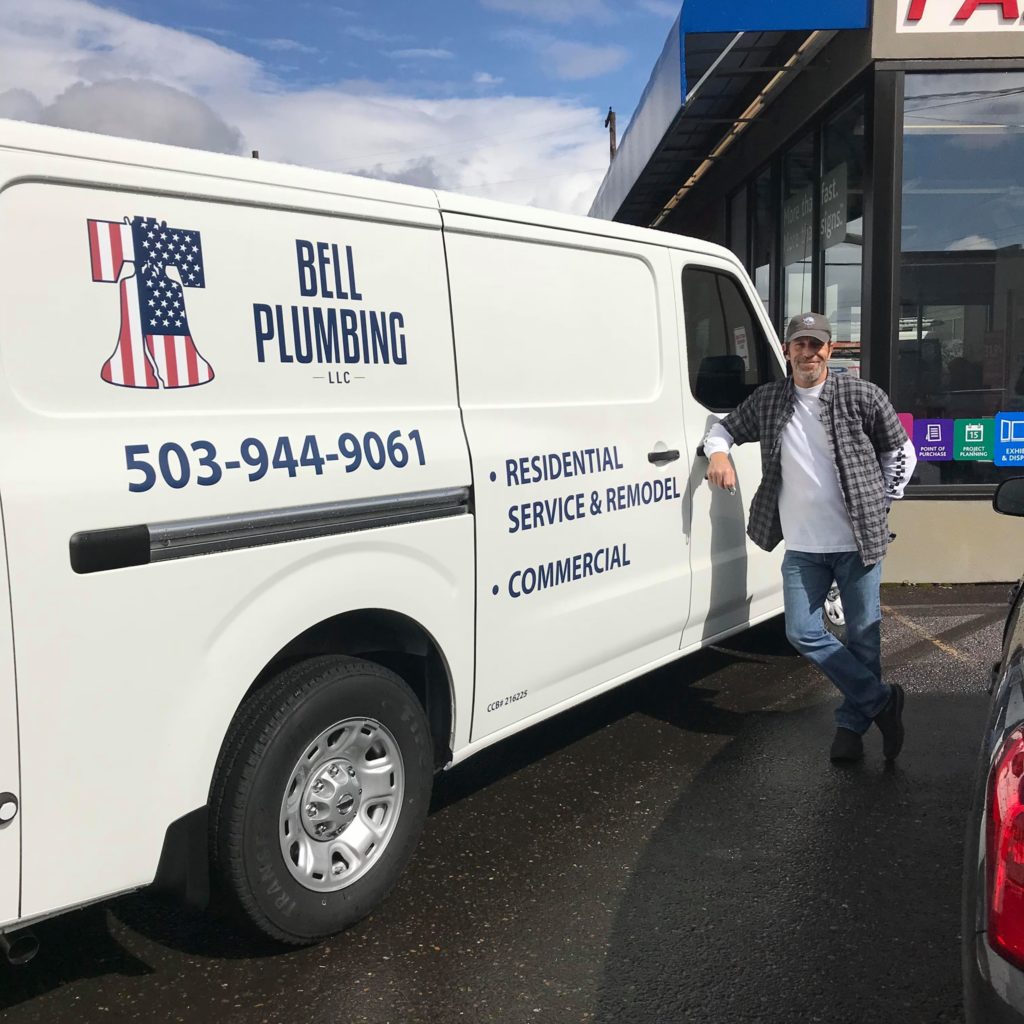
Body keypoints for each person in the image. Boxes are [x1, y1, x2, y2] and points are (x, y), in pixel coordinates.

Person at [704, 312, 917, 764]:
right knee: (802, 631)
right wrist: (719, 454)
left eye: (817, 344)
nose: (809, 353)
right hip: (803, 547)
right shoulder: (767, 401)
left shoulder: (861, 395)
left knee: (863, 636)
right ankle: (880, 700)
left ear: (831, 350)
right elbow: (722, 428)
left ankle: (850, 727)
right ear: (786, 350)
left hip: (857, 544)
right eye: (800, 344)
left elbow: (900, 450)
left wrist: (880, 503)